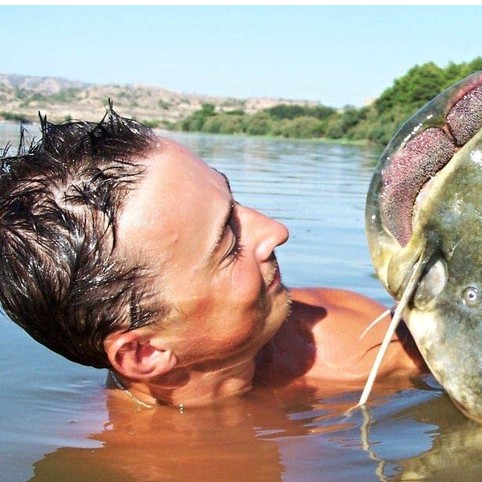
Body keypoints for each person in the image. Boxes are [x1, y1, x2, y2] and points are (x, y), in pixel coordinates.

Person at [0, 109, 424, 409]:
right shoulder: (119, 469)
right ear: (145, 353)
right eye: (229, 242)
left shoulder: (349, 342)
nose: (276, 230)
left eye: (233, 201)